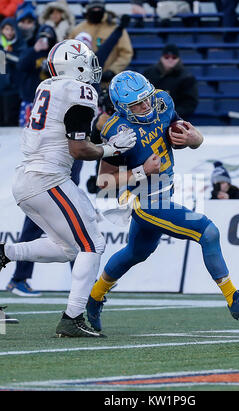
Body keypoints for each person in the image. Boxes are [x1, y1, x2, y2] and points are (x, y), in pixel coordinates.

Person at [85, 70, 239, 332]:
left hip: (164, 192)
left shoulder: (163, 101)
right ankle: (233, 298)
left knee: (136, 253)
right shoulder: (117, 130)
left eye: (146, 98)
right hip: (144, 199)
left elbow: (185, 135)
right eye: (137, 103)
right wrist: (141, 171)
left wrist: (196, 139)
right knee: (208, 231)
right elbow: (103, 182)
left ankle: (94, 297)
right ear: (122, 108)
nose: (145, 105)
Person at [0, 39, 137, 338]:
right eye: (86, 62)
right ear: (73, 64)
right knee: (93, 245)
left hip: (27, 178)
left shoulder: (46, 86)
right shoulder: (81, 90)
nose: (91, 69)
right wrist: (111, 149)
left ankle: (5, 252)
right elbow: (78, 149)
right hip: (48, 179)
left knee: (67, 248)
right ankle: (72, 318)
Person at [6, 160, 83, 297]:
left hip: (52, 188)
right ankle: (85, 282)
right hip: (51, 188)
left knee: (72, 235)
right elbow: (80, 149)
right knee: (74, 235)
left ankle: (18, 278)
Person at [69, 0, 133, 83]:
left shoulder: (114, 28)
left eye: (98, 9)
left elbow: (126, 53)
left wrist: (113, 71)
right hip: (84, 81)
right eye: (93, 9)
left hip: (109, 82)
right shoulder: (78, 30)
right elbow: (69, 52)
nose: (96, 12)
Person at [143, 44, 198, 120]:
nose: (170, 60)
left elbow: (189, 104)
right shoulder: (149, 73)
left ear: (178, 59)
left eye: (174, 57)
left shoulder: (187, 78)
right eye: (166, 57)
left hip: (175, 120)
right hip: (149, 118)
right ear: (161, 58)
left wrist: (171, 115)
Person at [17, 24, 57, 127]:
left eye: (49, 35)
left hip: (50, 99)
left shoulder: (56, 53)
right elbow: (21, 66)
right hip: (31, 98)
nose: (46, 38)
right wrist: (34, 50)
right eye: (43, 35)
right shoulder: (30, 51)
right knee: (27, 129)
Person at [0, 16, 25, 126]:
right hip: (2, 87)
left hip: (14, 89)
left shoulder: (20, 43)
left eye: (12, 29)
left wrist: (7, 55)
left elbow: (21, 61)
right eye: (6, 29)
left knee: (11, 121)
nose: (9, 32)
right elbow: (2, 69)